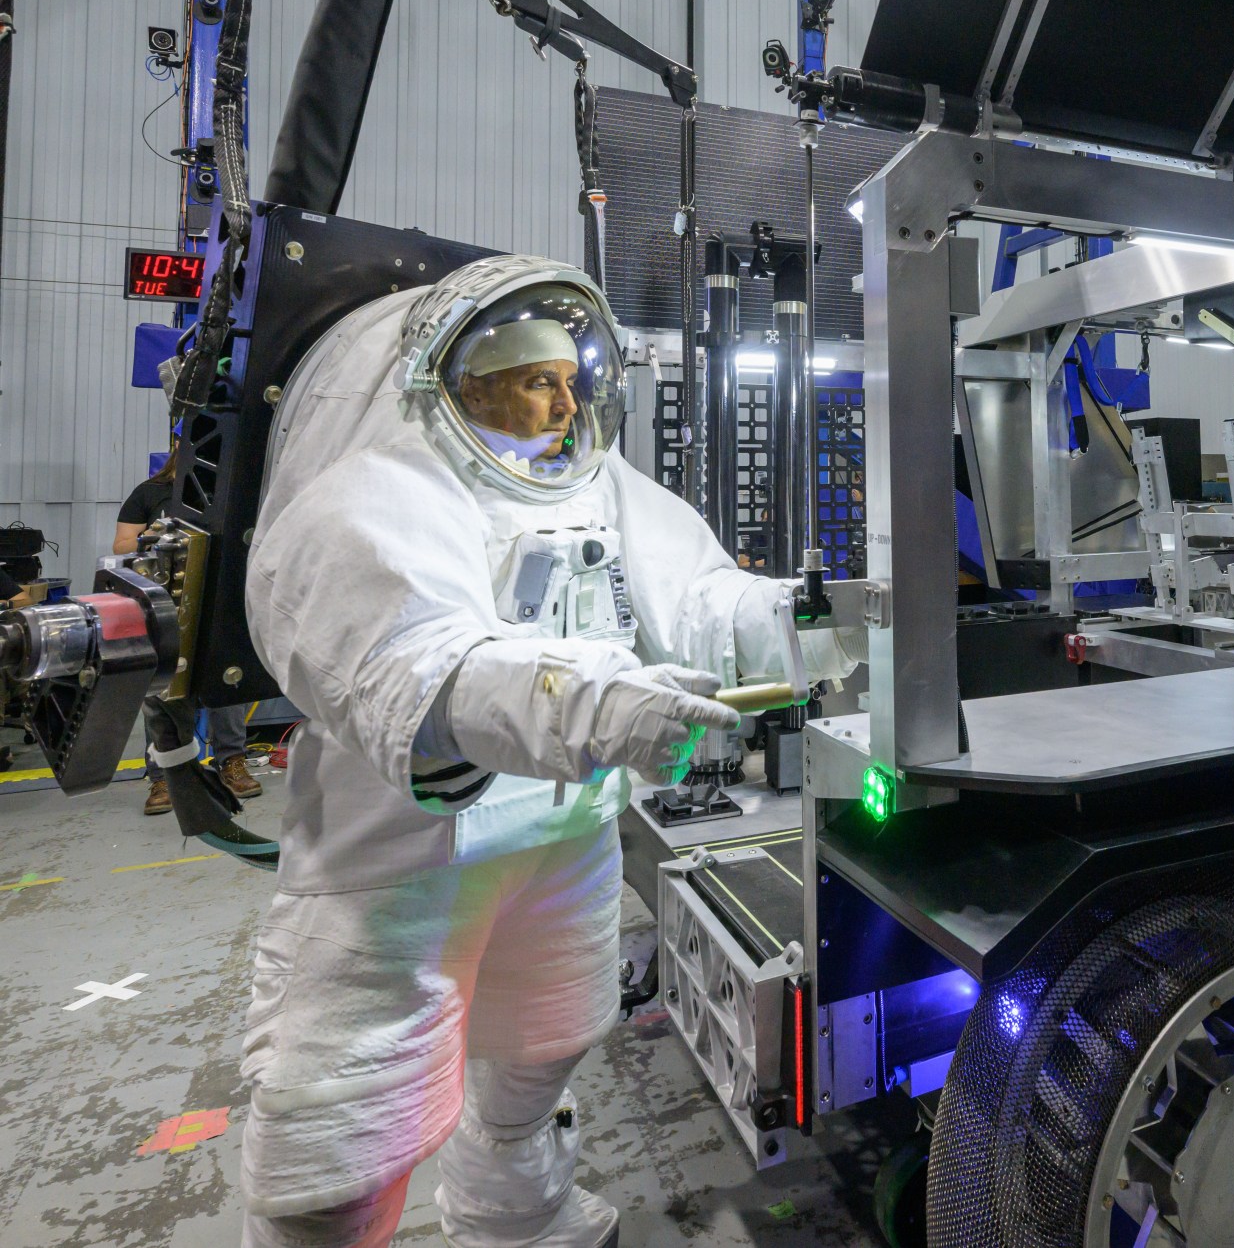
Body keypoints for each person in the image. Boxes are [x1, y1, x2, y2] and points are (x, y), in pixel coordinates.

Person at [236, 256, 855, 1248]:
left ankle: (516, 1218)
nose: (565, 401)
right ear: (465, 382)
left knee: (541, 1055)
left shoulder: (596, 484)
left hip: (561, 843)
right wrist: (601, 705)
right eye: (537, 380)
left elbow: (696, 599)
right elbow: (422, 672)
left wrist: (812, 621)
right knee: (344, 1136)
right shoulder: (372, 498)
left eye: (573, 379)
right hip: (399, 869)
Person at [119, 441, 262, 813]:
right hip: (166, 606)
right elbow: (121, 545)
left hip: (216, 605)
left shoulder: (224, 496)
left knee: (226, 680)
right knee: (164, 691)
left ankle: (231, 761)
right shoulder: (150, 493)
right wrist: (156, 534)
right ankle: (165, 777)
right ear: (177, 452)